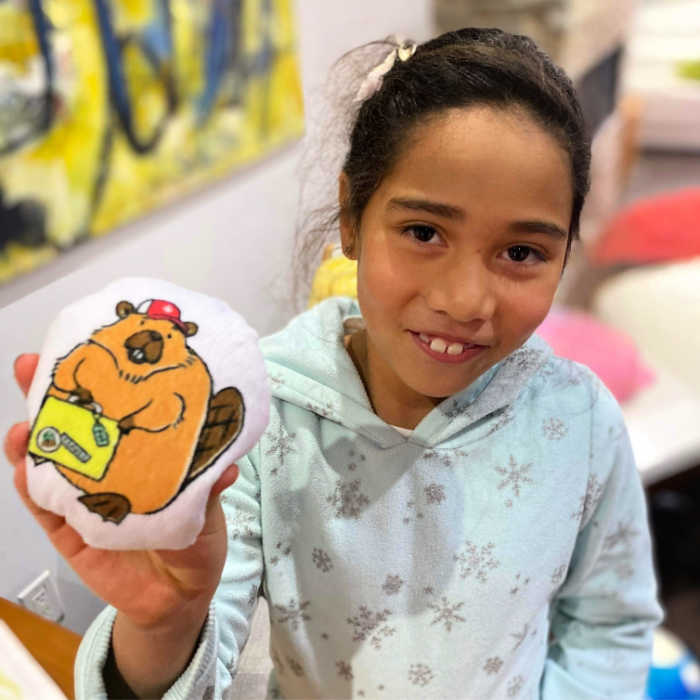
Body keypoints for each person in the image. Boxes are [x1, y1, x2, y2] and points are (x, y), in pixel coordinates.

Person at [5, 27, 663, 699]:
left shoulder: (578, 422)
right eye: (423, 233)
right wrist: (166, 624)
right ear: (351, 215)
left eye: (521, 252)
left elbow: (607, 624)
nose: (466, 301)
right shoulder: (252, 426)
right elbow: (197, 660)